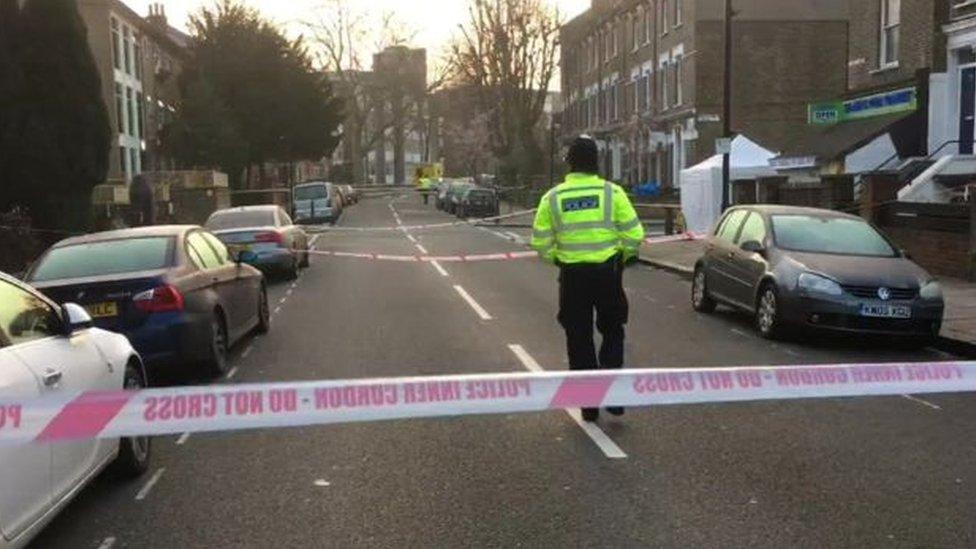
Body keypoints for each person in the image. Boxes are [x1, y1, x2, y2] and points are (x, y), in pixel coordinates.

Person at [531, 136, 645, 422]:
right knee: (613, 330)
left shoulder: (553, 197)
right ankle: (615, 397)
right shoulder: (612, 193)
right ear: (596, 162)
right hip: (608, 273)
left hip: (573, 277)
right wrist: (625, 256)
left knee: (578, 337)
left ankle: (589, 404)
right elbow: (634, 234)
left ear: (569, 162)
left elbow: (540, 242)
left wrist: (557, 257)